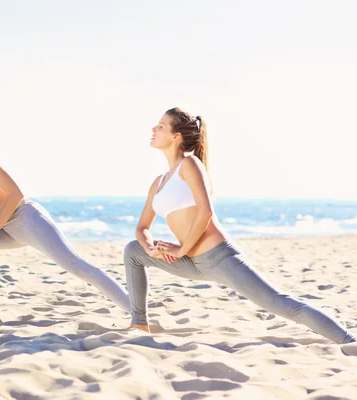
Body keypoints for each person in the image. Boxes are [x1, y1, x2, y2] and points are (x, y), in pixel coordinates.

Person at [124, 107, 356, 344]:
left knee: (282, 304)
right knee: (133, 250)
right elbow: (142, 227)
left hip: (219, 257)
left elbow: (205, 212)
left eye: (161, 125)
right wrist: (151, 248)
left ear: (177, 136)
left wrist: (181, 249)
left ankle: (349, 341)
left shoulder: (190, 165)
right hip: (192, 263)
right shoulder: (159, 182)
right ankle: (139, 323)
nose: (154, 128)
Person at [0, 103, 130, 314]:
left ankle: (137, 314)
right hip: (1, 230)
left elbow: (16, 193)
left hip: (25, 218)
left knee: (76, 265)